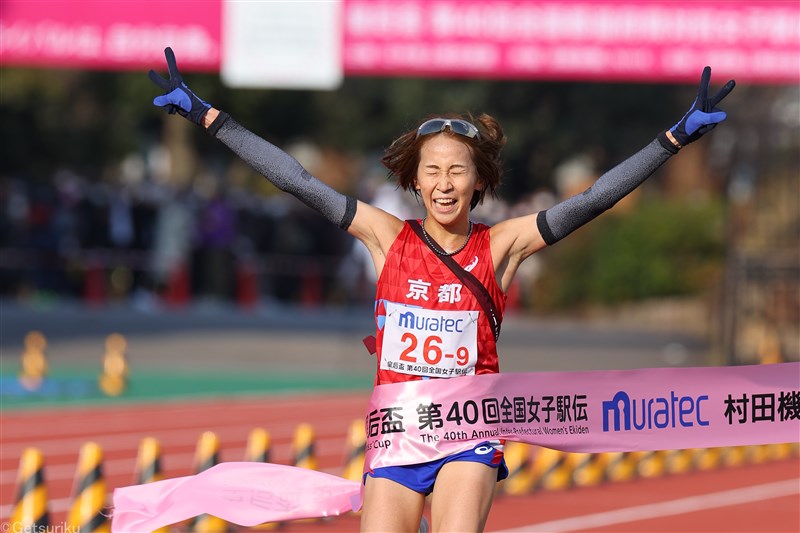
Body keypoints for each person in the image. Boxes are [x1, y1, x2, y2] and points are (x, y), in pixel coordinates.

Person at [149, 48, 734, 533]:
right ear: (414, 179)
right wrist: (207, 116)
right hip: (397, 439)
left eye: (457, 171)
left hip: (468, 435)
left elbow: (591, 201)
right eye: (432, 171)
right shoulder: (383, 236)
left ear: (478, 180)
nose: (444, 184)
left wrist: (674, 138)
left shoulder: (502, 245)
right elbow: (296, 180)